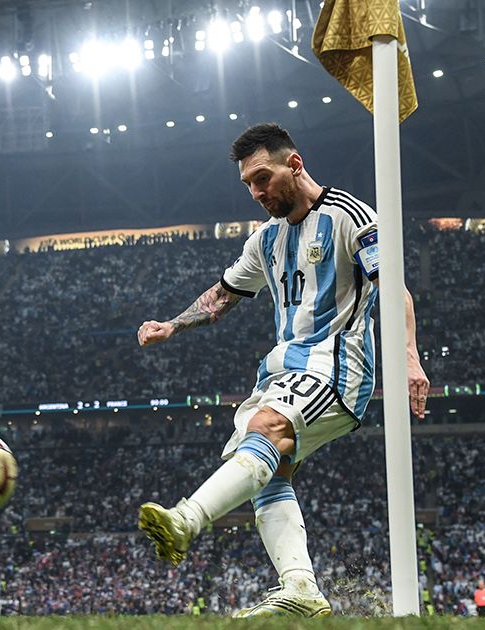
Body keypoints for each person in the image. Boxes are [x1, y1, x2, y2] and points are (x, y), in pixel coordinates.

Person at [135, 123, 429, 617]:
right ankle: (300, 588)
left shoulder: (350, 217)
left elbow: (395, 287)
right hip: (281, 372)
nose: (256, 192)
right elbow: (223, 294)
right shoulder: (267, 239)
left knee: (266, 428)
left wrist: (409, 356)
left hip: (336, 365)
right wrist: (172, 325)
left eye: (263, 177)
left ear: (294, 164)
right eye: (248, 184)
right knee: (267, 469)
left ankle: (185, 520)